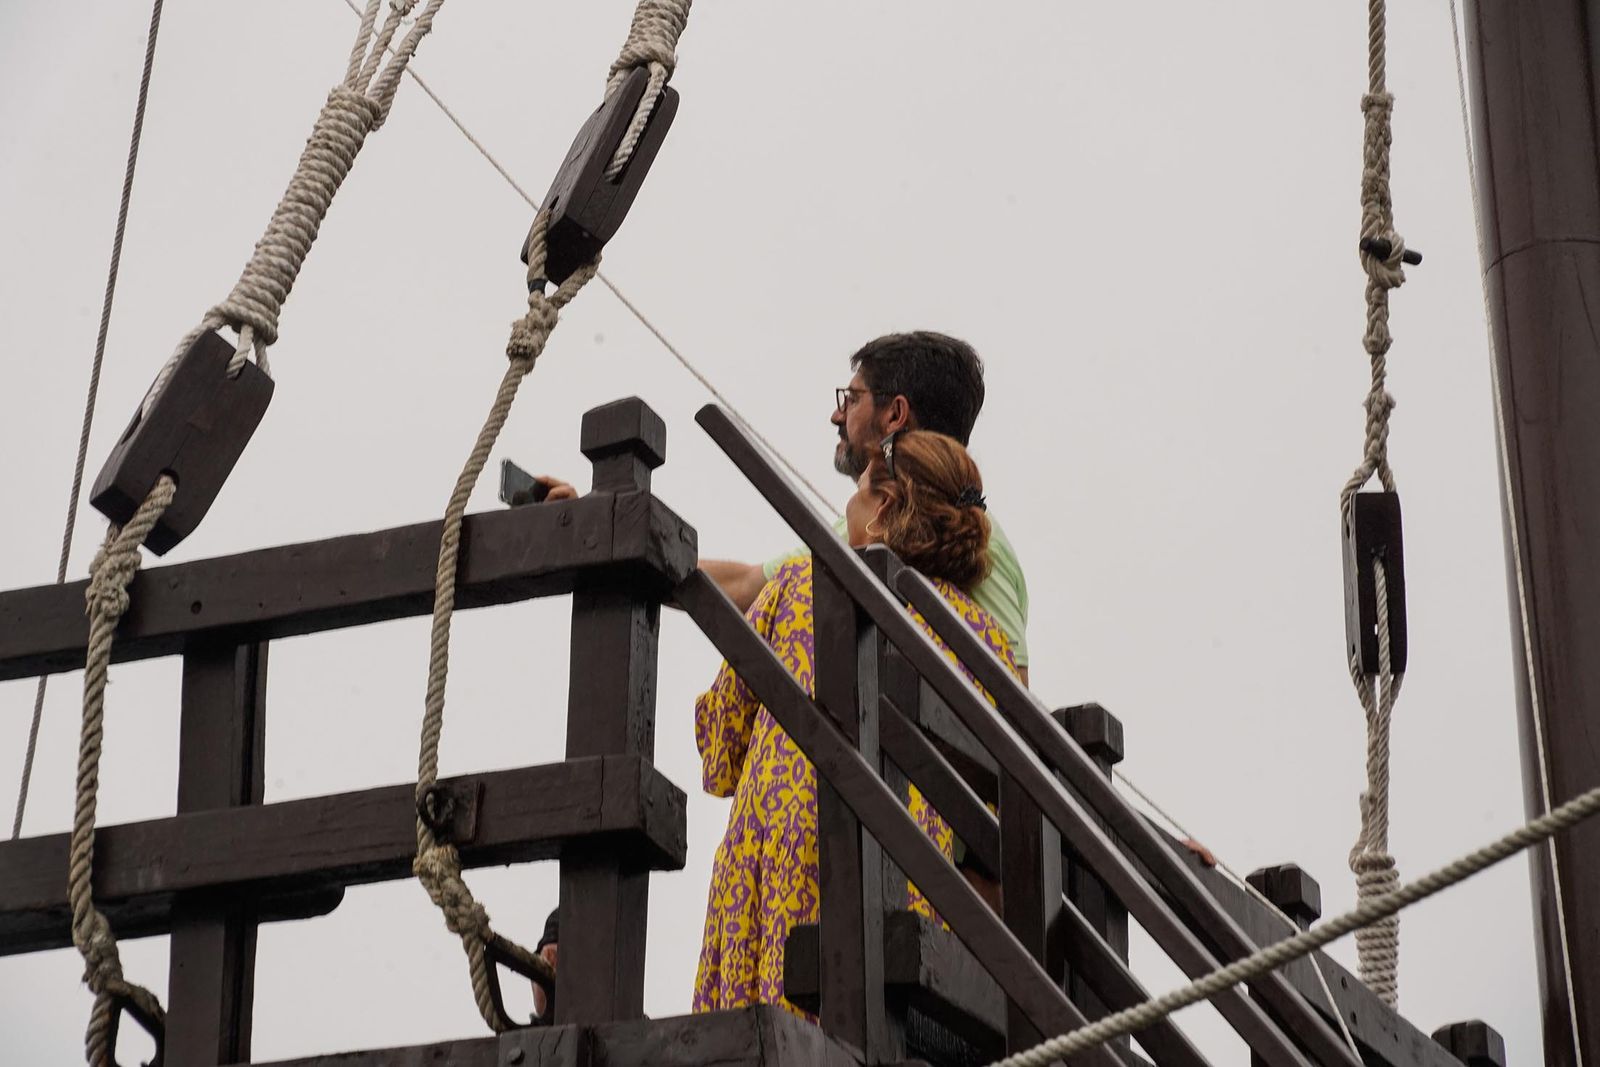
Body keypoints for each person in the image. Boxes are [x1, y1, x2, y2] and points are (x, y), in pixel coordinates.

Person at [691, 430, 1020, 1016]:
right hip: (907, 894)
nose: (844, 508)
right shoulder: (986, 646)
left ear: (885, 506)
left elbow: (719, 752)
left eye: (859, 490)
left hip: (781, 866)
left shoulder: (801, 587)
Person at [699, 331, 1031, 686]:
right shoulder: (855, 529)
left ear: (895, 414)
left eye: (853, 399)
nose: (836, 415)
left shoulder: (976, 537)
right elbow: (747, 586)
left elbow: (1013, 693)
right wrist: (651, 552)